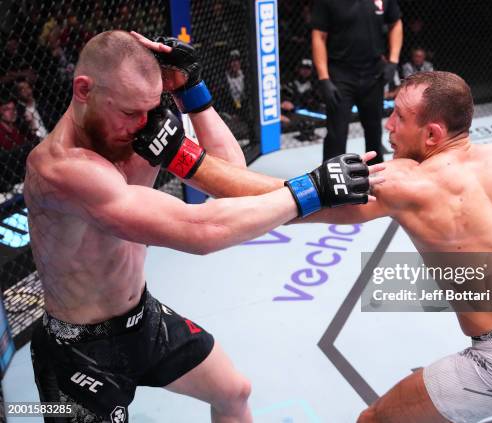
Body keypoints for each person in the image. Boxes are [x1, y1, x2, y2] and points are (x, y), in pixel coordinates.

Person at [181, 71, 492, 423]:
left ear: (432, 132)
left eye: (399, 116)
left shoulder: (403, 181)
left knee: (374, 421)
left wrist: (176, 153)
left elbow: (272, 200)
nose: (388, 124)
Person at [24, 30, 377, 423]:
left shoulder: (139, 123)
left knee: (234, 392)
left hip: (142, 317)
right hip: (78, 348)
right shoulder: (59, 168)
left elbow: (232, 178)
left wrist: (192, 93)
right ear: (84, 90)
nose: (142, 124)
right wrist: (310, 190)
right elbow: (199, 230)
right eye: (129, 112)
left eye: (150, 108)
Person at [311, 0, 403, 165]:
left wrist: (393, 61)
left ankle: (376, 178)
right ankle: (331, 181)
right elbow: (319, 35)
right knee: (336, 134)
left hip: (373, 73)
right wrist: (324, 78)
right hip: (340, 74)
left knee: (374, 130)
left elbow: (395, 22)